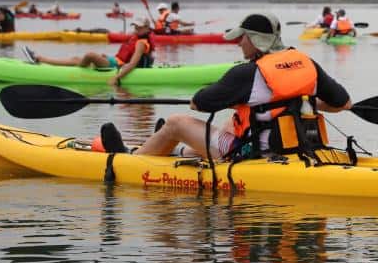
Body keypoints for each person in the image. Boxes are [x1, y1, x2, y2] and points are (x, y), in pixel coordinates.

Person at [100, 12, 352, 161]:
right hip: (299, 148)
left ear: (255, 40)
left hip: (254, 153)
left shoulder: (247, 73)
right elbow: (344, 103)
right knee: (236, 120)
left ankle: (130, 159)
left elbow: (199, 102)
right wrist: (300, 103)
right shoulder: (306, 63)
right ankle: (177, 151)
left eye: (242, 38)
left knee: (176, 122)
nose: (239, 43)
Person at [22, 17, 154, 86]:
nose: (136, 29)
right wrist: (107, 57)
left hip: (116, 67)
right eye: (135, 27)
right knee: (75, 59)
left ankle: (79, 69)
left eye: (139, 27)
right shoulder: (137, 38)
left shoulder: (141, 43)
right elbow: (123, 57)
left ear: (147, 29)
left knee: (89, 55)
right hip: (114, 62)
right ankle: (39, 58)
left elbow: (131, 64)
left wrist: (116, 77)